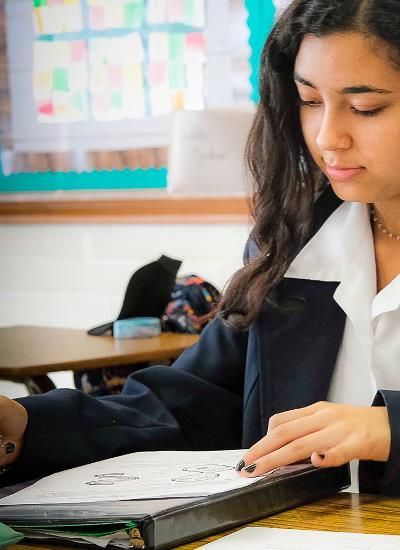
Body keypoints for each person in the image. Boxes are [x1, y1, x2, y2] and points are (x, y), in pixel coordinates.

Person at [2, 0, 400, 496]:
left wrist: (388, 430)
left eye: (366, 107)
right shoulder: (289, 245)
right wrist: (20, 426)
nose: (327, 138)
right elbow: (191, 403)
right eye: (310, 100)